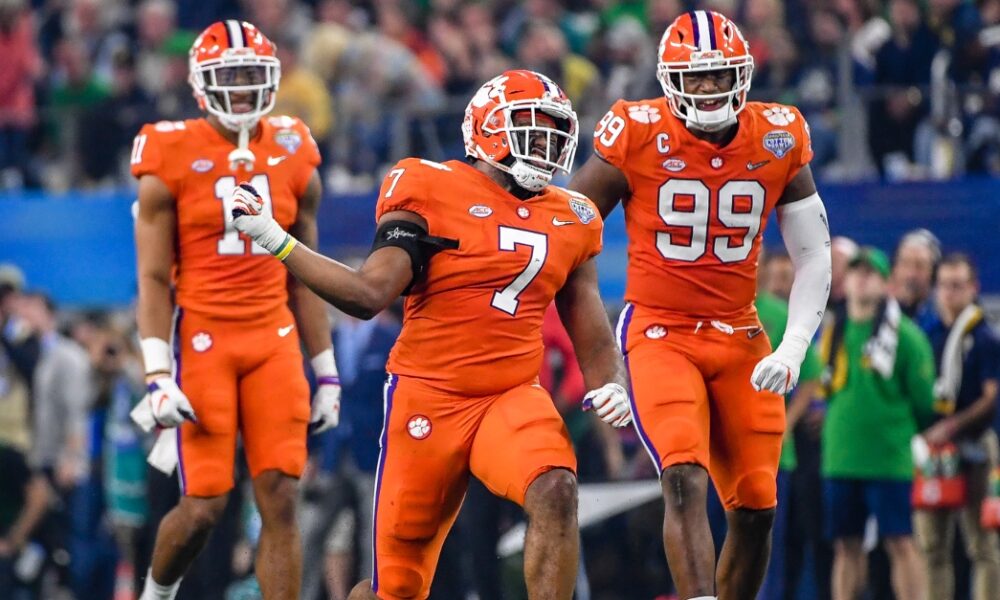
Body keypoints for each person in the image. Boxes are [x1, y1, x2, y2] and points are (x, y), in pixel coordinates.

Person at [232, 69, 633, 600]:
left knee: (556, 487)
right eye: (532, 130)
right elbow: (369, 294)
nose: (546, 146)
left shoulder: (573, 216)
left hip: (510, 394)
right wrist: (276, 239)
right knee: (396, 588)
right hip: (428, 397)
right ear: (488, 128)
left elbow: (586, 315)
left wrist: (610, 381)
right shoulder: (430, 185)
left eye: (554, 135)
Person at [569, 10, 832, 600]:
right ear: (670, 80)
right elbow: (567, 229)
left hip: (740, 334)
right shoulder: (637, 131)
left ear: (743, 75)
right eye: (697, 76)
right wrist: (604, 369)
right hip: (660, 331)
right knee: (683, 474)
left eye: (720, 75)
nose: (709, 87)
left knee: (757, 505)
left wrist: (793, 346)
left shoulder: (778, 134)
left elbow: (814, 253)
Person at [129, 20, 341, 600]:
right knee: (205, 505)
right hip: (203, 338)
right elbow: (153, 279)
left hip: (273, 338)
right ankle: (156, 594)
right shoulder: (169, 150)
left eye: (252, 75)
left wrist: (325, 371)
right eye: (231, 76)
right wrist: (157, 375)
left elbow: (306, 272)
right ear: (200, 84)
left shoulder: (295, 147)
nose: (243, 88)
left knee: (282, 495)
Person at [817, 247, 935, 600]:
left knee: (901, 542)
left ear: (887, 284)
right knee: (845, 545)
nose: (862, 279)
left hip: (888, 458)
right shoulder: (833, 331)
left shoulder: (906, 337)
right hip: (841, 457)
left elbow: (924, 402)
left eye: (871, 273)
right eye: (856, 272)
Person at [914, 253, 1000, 600]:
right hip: (934, 450)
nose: (950, 293)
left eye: (958, 285)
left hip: (976, 445)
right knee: (932, 545)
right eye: (944, 285)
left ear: (973, 288)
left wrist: (952, 426)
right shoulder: (927, 334)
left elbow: (991, 397)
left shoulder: (984, 337)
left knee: (983, 542)